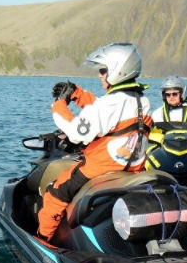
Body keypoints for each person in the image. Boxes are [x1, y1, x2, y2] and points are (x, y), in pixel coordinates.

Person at [37, 42, 153, 242]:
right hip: (133, 168)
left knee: (56, 193)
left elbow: (76, 133)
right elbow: (105, 114)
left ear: (117, 70)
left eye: (103, 70)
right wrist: (78, 94)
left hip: (101, 168)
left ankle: (43, 241)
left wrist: (59, 104)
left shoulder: (110, 104)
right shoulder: (141, 100)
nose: (100, 75)